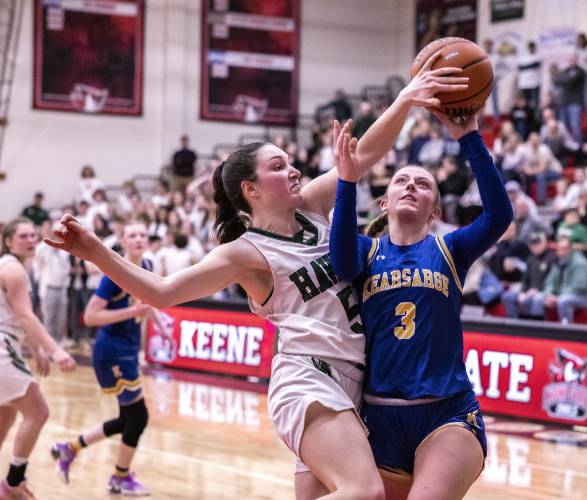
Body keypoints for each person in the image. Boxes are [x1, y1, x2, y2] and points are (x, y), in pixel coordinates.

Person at [45, 55, 469, 499]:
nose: (293, 170)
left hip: (354, 383)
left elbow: (360, 154)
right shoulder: (245, 252)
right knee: (363, 492)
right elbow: (162, 292)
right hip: (307, 378)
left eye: (290, 163)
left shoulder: (311, 207)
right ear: (251, 189)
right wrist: (92, 249)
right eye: (279, 166)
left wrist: (404, 99)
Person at [328, 112, 513, 499]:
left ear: (435, 211)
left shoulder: (450, 250)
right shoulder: (366, 251)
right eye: (402, 181)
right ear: (384, 202)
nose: (411, 186)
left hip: (446, 412)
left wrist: (470, 137)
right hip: (379, 416)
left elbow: (499, 215)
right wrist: (346, 180)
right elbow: (340, 261)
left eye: (423, 184)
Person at [51, 221, 163, 496]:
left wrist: (161, 327)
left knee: (129, 418)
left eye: (142, 234)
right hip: (111, 350)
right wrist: (132, 312)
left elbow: (147, 304)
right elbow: (90, 316)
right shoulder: (113, 275)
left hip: (127, 348)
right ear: (122, 241)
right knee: (138, 417)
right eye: (132, 235)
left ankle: (70, 448)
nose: (138, 238)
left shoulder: (146, 266)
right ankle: (119, 478)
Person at [0, 218, 75, 499]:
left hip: (8, 342)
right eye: (23, 236)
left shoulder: (12, 266)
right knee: (38, 411)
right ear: (8, 241)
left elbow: (15, 316)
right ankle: (13, 482)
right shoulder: (14, 270)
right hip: (3, 347)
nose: (31, 239)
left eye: (33, 234)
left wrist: (36, 349)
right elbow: (24, 315)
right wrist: (54, 349)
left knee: (6, 413)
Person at [541, 235, 587, 324]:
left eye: (564, 248)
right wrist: (549, 294)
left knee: (564, 300)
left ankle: (567, 331)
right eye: (559, 248)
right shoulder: (557, 261)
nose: (560, 250)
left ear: (570, 249)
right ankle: (543, 329)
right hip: (563, 295)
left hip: (585, 297)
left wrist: (558, 297)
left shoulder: (580, 262)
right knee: (541, 298)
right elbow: (549, 282)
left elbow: (580, 286)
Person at [500, 232, 555, 319]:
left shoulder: (551, 258)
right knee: (507, 297)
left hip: (543, 291)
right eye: (533, 244)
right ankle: (513, 323)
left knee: (531, 300)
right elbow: (525, 280)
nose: (535, 246)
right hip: (528, 291)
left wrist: (535, 290)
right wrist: (522, 292)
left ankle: (531, 327)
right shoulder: (530, 259)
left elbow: (552, 280)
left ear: (544, 243)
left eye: (538, 243)